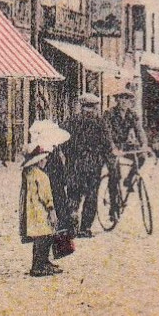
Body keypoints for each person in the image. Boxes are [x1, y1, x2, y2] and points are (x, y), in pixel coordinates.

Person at [64, 94, 114, 237]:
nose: (90, 110)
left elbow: (62, 141)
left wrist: (68, 155)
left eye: (90, 107)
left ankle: (73, 221)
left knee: (74, 194)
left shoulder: (71, 121)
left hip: (75, 165)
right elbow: (107, 145)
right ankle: (84, 228)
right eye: (89, 107)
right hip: (92, 166)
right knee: (90, 197)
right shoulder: (100, 123)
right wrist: (109, 163)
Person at [30, 119, 76, 264]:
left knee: (54, 227)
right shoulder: (44, 153)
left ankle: (46, 259)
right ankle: (40, 261)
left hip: (57, 192)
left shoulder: (53, 150)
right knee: (46, 228)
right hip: (49, 194)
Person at [104, 91, 149, 218]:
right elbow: (107, 133)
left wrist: (144, 145)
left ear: (130, 102)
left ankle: (129, 179)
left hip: (124, 145)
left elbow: (139, 131)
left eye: (127, 99)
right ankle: (113, 208)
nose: (124, 102)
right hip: (109, 146)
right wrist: (112, 148)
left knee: (141, 157)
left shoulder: (132, 115)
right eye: (121, 99)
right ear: (117, 100)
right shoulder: (109, 114)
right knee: (114, 174)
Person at [20, 142, 59, 277]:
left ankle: (40, 263)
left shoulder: (27, 173)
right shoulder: (42, 176)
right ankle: (39, 265)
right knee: (45, 237)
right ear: (39, 160)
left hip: (31, 211)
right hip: (41, 211)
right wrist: (52, 211)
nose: (46, 160)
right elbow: (46, 196)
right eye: (44, 158)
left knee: (38, 239)